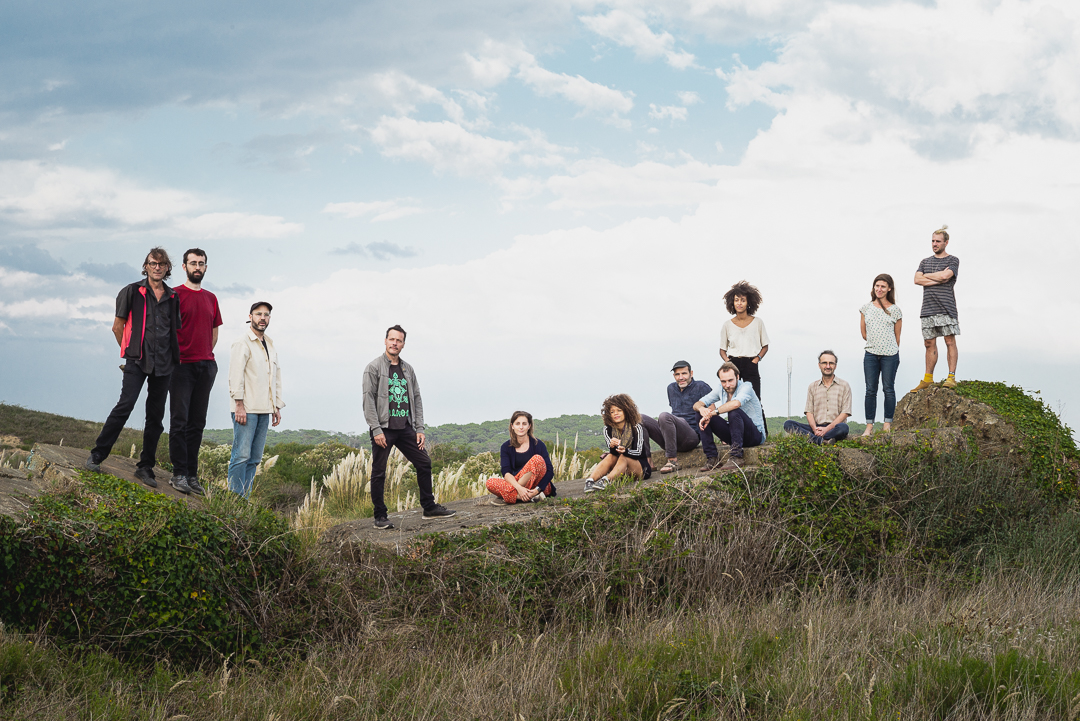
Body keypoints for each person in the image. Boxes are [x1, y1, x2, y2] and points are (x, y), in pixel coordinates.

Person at [85, 248, 182, 488]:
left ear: (167, 268)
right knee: (125, 406)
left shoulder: (173, 297)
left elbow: (173, 329)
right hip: (137, 361)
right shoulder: (131, 291)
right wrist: (129, 351)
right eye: (153, 263)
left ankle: (145, 467)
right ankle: (97, 455)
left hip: (164, 364)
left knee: (155, 417)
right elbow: (117, 326)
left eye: (161, 264)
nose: (157, 267)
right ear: (146, 266)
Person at [362, 325, 455, 529]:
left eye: (399, 340)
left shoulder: (408, 369)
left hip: (405, 427)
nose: (395, 343)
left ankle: (429, 507)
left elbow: (417, 398)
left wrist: (419, 428)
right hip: (384, 428)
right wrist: (376, 429)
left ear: (403, 344)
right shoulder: (373, 367)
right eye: (392, 339)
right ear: (385, 341)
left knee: (424, 462)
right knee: (379, 472)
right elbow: (368, 400)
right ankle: (380, 516)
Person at [167, 248, 223, 495]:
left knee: (197, 423)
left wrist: (205, 354)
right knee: (179, 421)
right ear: (184, 266)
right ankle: (178, 473)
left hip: (206, 366)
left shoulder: (211, 298)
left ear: (206, 267)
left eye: (201, 263)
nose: (197, 267)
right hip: (181, 366)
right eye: (193, 263)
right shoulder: (174, 295)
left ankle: (191, 475)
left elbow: (214, 331)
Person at [227, 302, 284, 498]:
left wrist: (276, 406)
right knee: (241, 456)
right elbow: (235, 375)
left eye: (266, 315)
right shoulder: (242, 342)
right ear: (250, 317)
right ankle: (234, 499)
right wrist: (239, 405)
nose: (262, 318)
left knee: (255, 458)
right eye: (258, 314)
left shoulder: (270, 344)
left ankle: (244, 499)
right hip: (246, 409)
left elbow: (275, 377)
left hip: (264, 409)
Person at [640, 361, 718, 475]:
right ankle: (648, 462)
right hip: (670, 436)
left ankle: (672, 461)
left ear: (691, 373)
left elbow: (711, 410)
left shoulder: (701, 386)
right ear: (674, 376)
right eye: (677, 374)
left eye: (684, 373)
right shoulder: (671, 388)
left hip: (690, 436)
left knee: (664, 416)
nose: (681, 377)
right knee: (639, 418)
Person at [694, 362, 767, 472]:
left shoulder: (746, 387)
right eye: (723, 381)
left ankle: (736, 457)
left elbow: (735, 404)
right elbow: (697, 404)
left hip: (754, 435)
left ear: (737, 377)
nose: (727, 385)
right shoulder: (721, 389)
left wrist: (712, 413)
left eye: (730, 380)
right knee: (699, 414)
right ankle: (712, 458)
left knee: (734, 411)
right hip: (735, 434)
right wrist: (702, 410)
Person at [912, 224, 960, 391]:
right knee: (928, 343)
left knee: (949, 340)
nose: (934, 244)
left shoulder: (953, 260)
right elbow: (917, 279)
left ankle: (951, 377)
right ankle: (928, 378)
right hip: (928, 308)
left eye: (938, 241)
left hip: (946, 307)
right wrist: (938, 278)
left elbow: (946, 275)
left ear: (946, 242)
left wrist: (929, 277)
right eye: (933, 241)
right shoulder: (925, 262)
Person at [719, 281, 770, 429]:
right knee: (733, 398)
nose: (739, 303)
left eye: (742, 300)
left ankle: (762, 432)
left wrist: (756, 360)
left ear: (748, 302)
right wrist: (728, 362)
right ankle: (733, 431)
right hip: (733, 364)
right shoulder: (727, 325)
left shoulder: (758, 322)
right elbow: (722, 350)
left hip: (751, 363)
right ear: (732, 302)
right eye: (736, 300)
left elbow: (765, 346)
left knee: (755, 398)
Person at [860, 274, 902, 436]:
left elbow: (897, 337)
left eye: (883, 286)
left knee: (888, 389)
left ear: (889, 288)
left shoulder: (895, 310)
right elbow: (864, 333)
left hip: (890, 355)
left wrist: (889, 348)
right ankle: (869, 426)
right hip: (871, 354)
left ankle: (887, 424)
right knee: (870, 390)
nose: (879, 289)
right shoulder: (866, 308)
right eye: (877, 286)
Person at [485, 411, 556, 504]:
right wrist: (519, 488)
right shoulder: (506, 447)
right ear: (512, 426)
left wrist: (537, 490)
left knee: (537, 459)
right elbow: (506, 472)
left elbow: (550, 471)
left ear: (529, 426)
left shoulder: (538, 444)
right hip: (517, 483)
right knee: (490, 483)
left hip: (539, 487)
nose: (521, 427)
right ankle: (523, 496)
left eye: (524, 424)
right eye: (517, 423)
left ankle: (511, 496)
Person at [585, 394, 652, 492]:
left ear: (626, 411)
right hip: (619, 468)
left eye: (619, 410)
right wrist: (613, 446)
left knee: (623, 456)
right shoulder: (607, 429)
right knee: (610, 456)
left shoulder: (637, 428)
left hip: (640, 468)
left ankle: (606, 480)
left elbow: (639, 452)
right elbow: (613, 453)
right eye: (612, 412)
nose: (615, 414)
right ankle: (590, 481)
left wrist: (625, 451)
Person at [783, 351, 852, 445]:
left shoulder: (844, 385)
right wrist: (815, 429)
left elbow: (845, 412)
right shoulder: (812, 386)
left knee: (844, 428)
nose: (828, 366)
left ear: (835, 366)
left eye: (831, 363)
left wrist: (826, 429)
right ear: (819, 365)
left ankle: (815, 439)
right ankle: (821, 440)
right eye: (824, 363)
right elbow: (809, 412)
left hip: (835, 427)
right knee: (788, 424)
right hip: (816, 427)